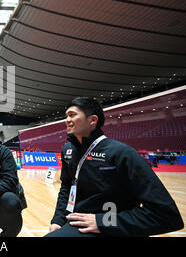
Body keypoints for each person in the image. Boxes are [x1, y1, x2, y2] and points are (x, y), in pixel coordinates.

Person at [45, 97, 183, 237]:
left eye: (72, 115)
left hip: (111, 228)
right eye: (66, 116)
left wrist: (103, 221)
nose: (67, 120)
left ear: (92, 120)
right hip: (77, 223)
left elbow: (167, 216)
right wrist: (58, 220)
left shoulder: (122, 153)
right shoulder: (68, 150)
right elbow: (67, 187)